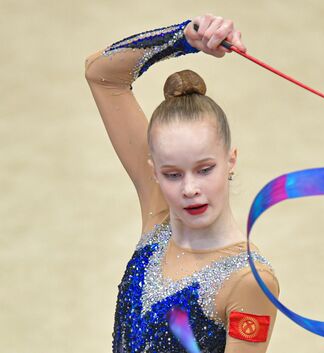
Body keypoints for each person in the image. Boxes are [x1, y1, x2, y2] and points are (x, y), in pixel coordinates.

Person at [84, 14, 280, 353]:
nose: (189, 189)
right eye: (173, 174)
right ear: (154, 171)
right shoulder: (158, 215)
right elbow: (101, 74)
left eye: (204, 169)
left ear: (230, 160)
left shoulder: (248, 282)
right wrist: (183, 39)